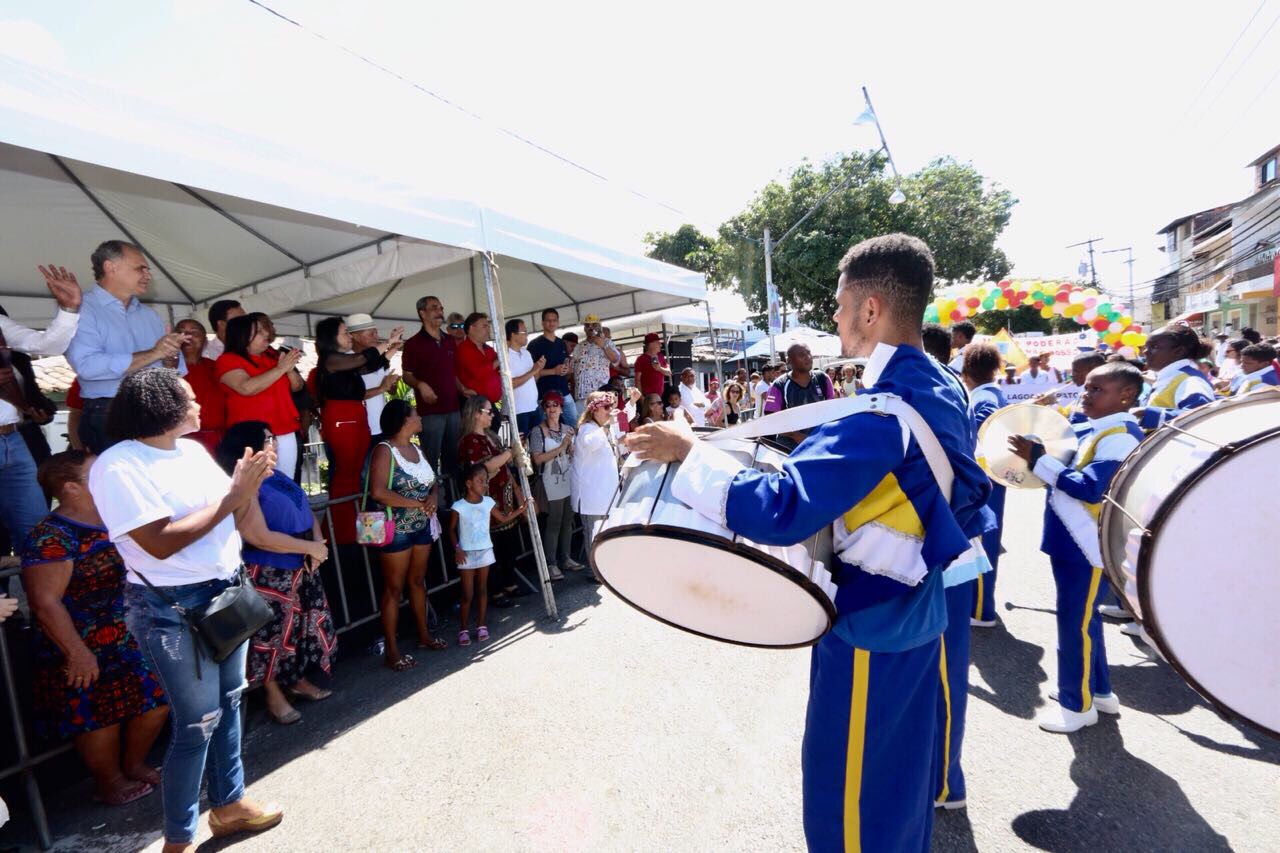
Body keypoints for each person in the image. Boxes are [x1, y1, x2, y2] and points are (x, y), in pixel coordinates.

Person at [626, 234, 991, 852]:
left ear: (871, 309)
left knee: (847, 805)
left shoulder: (885, 410)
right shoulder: (939, 383)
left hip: (870, 629)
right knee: (898, 787)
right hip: (915, 614)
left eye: (842, 303)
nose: (836, 316)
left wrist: (690, 453)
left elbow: (782, 510)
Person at [88, 369, 282, 851]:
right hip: (170, 608)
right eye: (191, 397)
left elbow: (231, 512)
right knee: (197, 722)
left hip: (223, 593)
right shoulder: (118, 465)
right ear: (162, 407)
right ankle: (179, 837)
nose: (199, 404)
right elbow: (158, 543)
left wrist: (249, 487)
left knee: (231, 701)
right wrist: (234, 497)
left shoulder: (193, 452)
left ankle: (230, 805)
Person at [21, 450, 169, 806]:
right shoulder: (50, 536)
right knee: (98, 717)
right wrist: (77, 653)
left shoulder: (113, 517)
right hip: (79, 641)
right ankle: (109, 781)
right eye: (97, 474)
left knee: (158, 700)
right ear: (71, 488)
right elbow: (45, 601)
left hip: (125, 633)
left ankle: (133, 763)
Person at [1008, 361, 1144, 733]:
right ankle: (1097, 691)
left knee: (1075, 623)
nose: (1086, 394)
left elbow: (1088, 488)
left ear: (1126, 395)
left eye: (1097, 389)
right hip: (1073, 540)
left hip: (1084, 542)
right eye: (1086, 387)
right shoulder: (1103, 429)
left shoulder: (1119, 436)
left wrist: (1038, 459)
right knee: (1084, 620)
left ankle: (1076, 704)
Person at [214, 423, 334, 724]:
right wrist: (308, 546)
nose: (275, 443)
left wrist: (315, 545)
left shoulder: (277, 475)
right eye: (268, 439)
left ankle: (296, 680)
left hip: (300, 564)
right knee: (270, 638)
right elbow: (257, 535)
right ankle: (273, 696)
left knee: (296, 630)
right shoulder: (245, 484)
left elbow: (304, 510)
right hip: (269, 570)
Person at [66, 242, 186, 454]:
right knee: (118, 483)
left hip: (155, 409)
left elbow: (175, 371)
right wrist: (154, 353)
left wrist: (170, 355)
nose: (148, 275)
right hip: (109, 411)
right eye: (141, 268)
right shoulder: (81, 309)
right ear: (111, 267)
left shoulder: (149, 315)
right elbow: (87, 366)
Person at [0, 265, 82, 562]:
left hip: (13, 439)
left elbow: (46, 344)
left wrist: (68, 309)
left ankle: (41, 607)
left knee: (36, 533)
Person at [368, 400, 447, 672]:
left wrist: (433, 498)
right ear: (404, 420)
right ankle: (392, 650)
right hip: (396, 530)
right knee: (394, 589)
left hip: (421, 525)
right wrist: (419, 504)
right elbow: (378, 492)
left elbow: (433, 481)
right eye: (415, 414)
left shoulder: (416, 448)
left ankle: (423, 635)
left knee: (417, 581)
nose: (420, 417)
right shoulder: (384, 451)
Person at [312, 316, 396, 544]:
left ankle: (366, 534)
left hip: (356, 418)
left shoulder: (346, 362)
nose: (349, 337)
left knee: (362, 480)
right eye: (345, 333)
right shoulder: (331, 360)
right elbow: (364, 358)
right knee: (347, 477)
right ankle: (342, 534)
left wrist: (387, 351)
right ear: (332, 338)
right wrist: (384, 344)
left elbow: (369, 364)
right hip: (342, 420)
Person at [450, 462, 528, 646]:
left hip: (485, 551)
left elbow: (503, 518)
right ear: (468, 483)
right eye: (481, 481)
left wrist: (521, 509)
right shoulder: (459, 506)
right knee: (468, 594)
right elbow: (451, 530)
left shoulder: (488, 502)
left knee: (483, 589)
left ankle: (481, 625)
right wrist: (457, 549)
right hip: (466, 554)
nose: (485, 485)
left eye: (486, 481)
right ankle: (463, 628)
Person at [459, 395, 526, 607]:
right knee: (492, 550)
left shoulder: (491, 436)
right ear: (476, 413)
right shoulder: (469, 441)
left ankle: (509, 584)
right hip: (486, 504)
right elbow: (484, 468)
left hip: (505, 499)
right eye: (489, 411)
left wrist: (518, 492)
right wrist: (509, 452)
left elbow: (503, 465)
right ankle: (495, 591)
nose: (493, 414)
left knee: (508, 546)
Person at [215, 314, 302, 476]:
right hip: (251, 435)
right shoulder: (227, 360)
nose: (266, 335)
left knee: (286, 482)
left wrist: (288, 369)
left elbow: (297, 386)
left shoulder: (273, 356)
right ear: (243, 335)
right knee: (255, 486)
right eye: (259, 332)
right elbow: (246, 387)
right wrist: (280, 369)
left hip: (285, 430)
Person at [401, 295, 464, 490]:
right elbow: (407, 376)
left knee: (453, 460)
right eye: (434, 307)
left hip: (453, 409)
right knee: (429, 460)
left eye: (441, 308)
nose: (440, 311)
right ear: (422, 313)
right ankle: (431, 504)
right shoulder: (413, 344)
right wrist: (420, 384)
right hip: (430, 414)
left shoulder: (449, 341)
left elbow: (451, 373)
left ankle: (453, 503)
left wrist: (463, 389)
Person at [528, 392, 580, 580]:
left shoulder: (568, 428)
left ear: (561, 407)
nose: (552, 409)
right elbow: (537, 459)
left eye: (555, 405)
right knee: (554, 522)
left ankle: (566, 558)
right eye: (548, 405)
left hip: (568, 479)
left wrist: (571, 449)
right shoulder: (538, 431)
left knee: (568, 519)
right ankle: (551, 563)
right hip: (550, 482)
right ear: (544, 409)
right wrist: (561, 448)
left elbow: (572, 454)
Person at [572, 391, 623, 577]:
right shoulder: (587, 428)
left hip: (606, 492)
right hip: (591, 494)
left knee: (605, 532)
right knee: (593, 534)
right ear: (594, 410)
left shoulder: (603, 428)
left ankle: (605, 567)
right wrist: (607, 427)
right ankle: (596, 571)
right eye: (606, 407)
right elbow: (590, 444)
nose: (610, 411)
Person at [1134, 324, 1215, 430]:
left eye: (1154, 347)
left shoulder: (1191, 381)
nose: (1145, 352)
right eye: (1146, 347)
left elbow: (1199, 418)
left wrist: (1147, 414)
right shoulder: (1171, 377)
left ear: (1178, 351)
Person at [344, 313, 403, 437]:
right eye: (371, 334)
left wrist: (391, 384)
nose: (376, 337)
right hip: (357, 428)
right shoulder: (346, 360)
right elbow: (352, 395)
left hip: (380, 426)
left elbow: (391, 391)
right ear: (355, 336)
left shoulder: (380, 358)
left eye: (376, 332)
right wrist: (382, 387)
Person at [174, 319, 226, 454]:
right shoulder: (164, 368)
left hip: (217, 439)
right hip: (179, 440)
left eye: (194, 332)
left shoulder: (216, 367)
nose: (187, 336)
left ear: (205, 341)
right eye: (181, 332)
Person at [527, 308, 578, 427]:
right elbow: (532, 373)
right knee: (547, 428)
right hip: (545, 394)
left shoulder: (561, 343)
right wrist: (553, 371)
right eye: (548, 320)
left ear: (558, 322)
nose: (551, 323)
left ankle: (572, 446)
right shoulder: (535, 344)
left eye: (554, 320)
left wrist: (567, 370)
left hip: (564, 392)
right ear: (543, 323)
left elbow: (564, 367)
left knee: (574, 424)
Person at [763, 344, 838, 414]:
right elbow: (771, 418)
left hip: (821, 428)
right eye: (802, 355)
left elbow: (831, 409)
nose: (808, 357)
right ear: (789, 360)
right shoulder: (779, 385)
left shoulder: (823, 378)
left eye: (809, 353)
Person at [505, 319, 547, 435]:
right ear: (513, 335)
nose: (527, 335)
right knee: (521, 448)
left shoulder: (527, 353)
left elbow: (533, 379)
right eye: (524, 332)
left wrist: (538, 369)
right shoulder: (505, 356)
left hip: (533, 407)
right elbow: (510, 384)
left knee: (536, 445)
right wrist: (533, 370)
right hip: (518, 411)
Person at [574, 315, 620, 413]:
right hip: (582, 396)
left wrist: (604, 346)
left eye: (594, 325)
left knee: (600, 424)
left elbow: (616, 360)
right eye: (587, 325)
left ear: (599, 327)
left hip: (600, 395)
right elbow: (574, 369)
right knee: (582, 425)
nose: (591, 328)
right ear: (584, 328)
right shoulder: (579, 346)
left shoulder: (607, 342)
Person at [456, 313, 502, 404]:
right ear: (471, 328)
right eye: (484, 326)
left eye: (488, 326)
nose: (488, 329)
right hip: (474, 404)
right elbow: (478, 372)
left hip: (490, 403)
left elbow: (500, 369)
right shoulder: (463, 349)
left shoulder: (489, 349)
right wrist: (500, 360)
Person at [634, 333, 672, 399]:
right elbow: (637, 380)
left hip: (660, 396)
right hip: (647, 398)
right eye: (658, 343)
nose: (660, 345)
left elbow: (669, 373)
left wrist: (659, 368)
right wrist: (642, 398)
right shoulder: (641, 359)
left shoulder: (661, 356)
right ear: (651, 344)